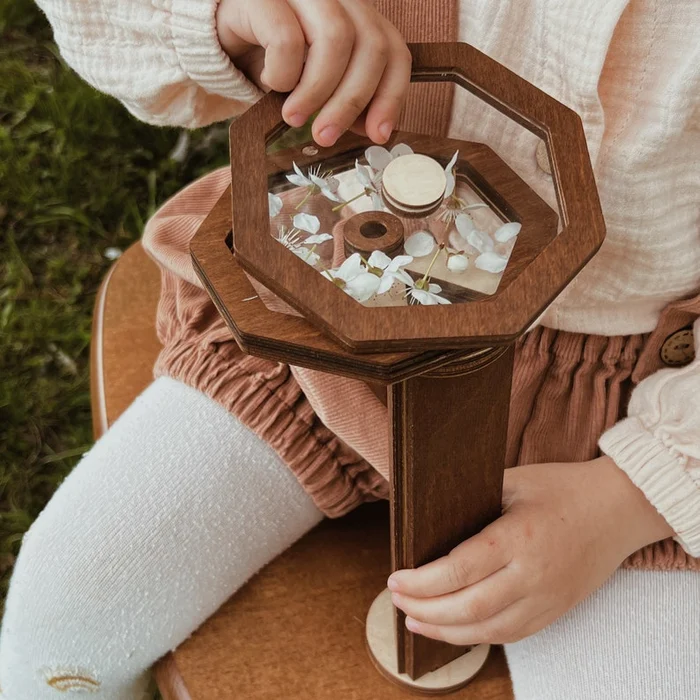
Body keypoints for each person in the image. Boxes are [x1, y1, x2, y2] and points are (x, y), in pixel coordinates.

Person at [2, 1, 699, 698]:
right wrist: (227, 17)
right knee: (64, 615)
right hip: (325, 321)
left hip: (646, 405)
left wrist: (630, 499)